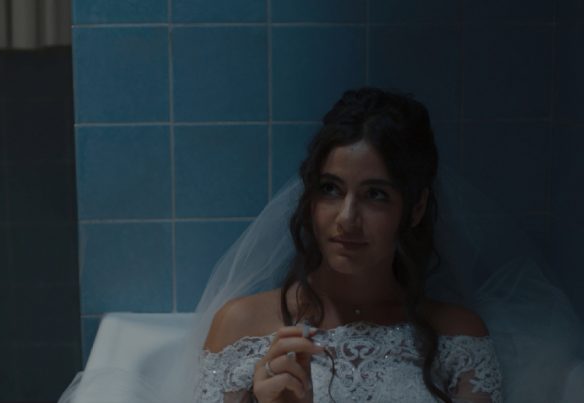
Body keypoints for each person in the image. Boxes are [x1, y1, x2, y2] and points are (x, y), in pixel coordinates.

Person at [193, 88, 503, 402]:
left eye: (375, 195)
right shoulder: (241, 327)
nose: (347, 218)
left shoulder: (458, 338)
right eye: (330, 189)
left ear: (417, 208)